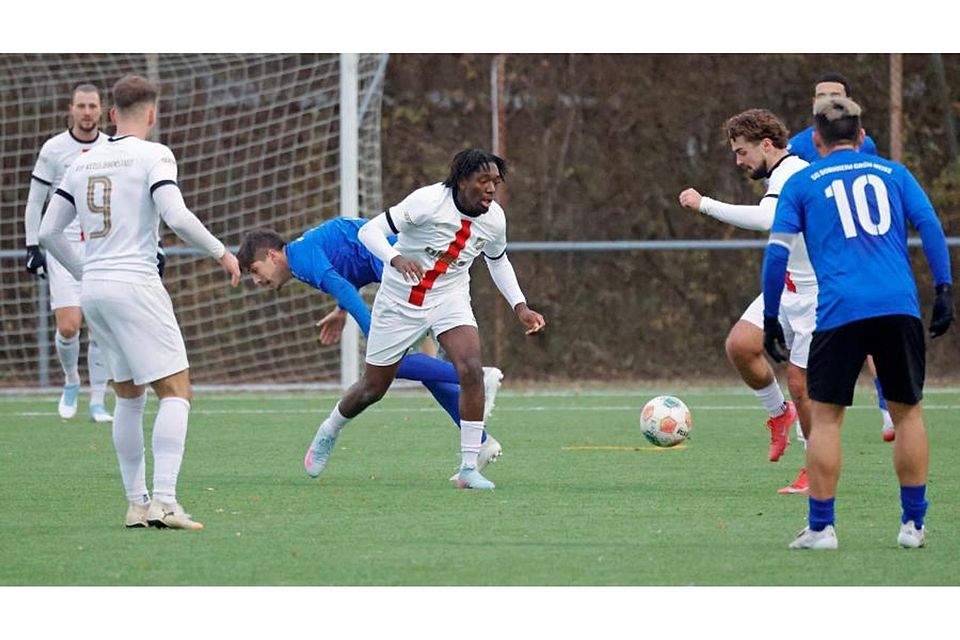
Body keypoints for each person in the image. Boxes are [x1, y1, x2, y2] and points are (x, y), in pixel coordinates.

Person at [38, 75, 241, 530]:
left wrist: (84, 271)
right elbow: (175, 215)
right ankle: (166, 502)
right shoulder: (155, 154)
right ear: (151, 114)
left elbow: (49, 232)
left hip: (95, 289)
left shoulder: (83, 161)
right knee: (176, 390)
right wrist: (222, 253)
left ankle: (137, 504)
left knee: (128, 396)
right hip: (135, 283)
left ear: (111, 115)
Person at [762, 96, 954, 550]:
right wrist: (944, 289)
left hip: (839, 310)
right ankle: (913, 526)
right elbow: (929, 225)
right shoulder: (894, 173)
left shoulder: (803, 182)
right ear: (862, 137)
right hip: (897, 306)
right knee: (908, 415)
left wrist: (771, 314)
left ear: (815, 140)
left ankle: (822, 529)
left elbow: (777, 254)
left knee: (826, 420)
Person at [303, 149, 546, 489]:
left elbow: (498, 261)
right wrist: (396, 258)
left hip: (450, 297)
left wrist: (520, 306)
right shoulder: (427, 202)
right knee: (373, 388)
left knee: (470, 367)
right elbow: (368, 233)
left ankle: (468, 467)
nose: (491, 189)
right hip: (400, 301)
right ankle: (329, 430)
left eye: (496, 181)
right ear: (462, 181)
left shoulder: (494, 219)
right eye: (483, 181)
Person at [236, 221, 506, 473]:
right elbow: (352, 262)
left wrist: (372, 333)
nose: (256, 281)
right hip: (406, 267)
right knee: (413, 368)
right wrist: (341, 312)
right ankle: (480, 440)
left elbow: (343, 285)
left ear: (272, 256)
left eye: (255, 271)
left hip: (403, 268)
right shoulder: (300, 257)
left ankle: (479, 376)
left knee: (389, 363)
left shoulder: (301, 259)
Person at [678, 109, 811, 487]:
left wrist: (704, 203)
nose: (739, 161)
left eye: (742, 152)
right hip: (787, 287)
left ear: (766, 145)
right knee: (740, 345)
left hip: (817, 296)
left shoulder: (793, 173)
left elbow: (766, 219)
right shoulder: (782, 173)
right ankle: (778, 414)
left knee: (802, 386)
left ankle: (814, 471)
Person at [788, 71, 894, 445]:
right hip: (818, 260)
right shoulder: (799, 145)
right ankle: (810, 431)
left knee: (873, 336)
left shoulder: (864, 145)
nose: (828, 100)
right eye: (821, 94)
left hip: (859, 253)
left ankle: (887, 408)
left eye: (835, 94)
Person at [23, 84, 114, 423]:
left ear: (102, 109)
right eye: (81, 106)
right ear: (71, 109)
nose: (87, 112)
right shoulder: (53, 149)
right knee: (69, 326)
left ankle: (98, 401)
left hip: (102, 246)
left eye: (93, 105)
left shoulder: (112, 148)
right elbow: (35, 202)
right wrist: (33, 245)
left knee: (103, 324)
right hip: (62, 248)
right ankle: (71, 381)